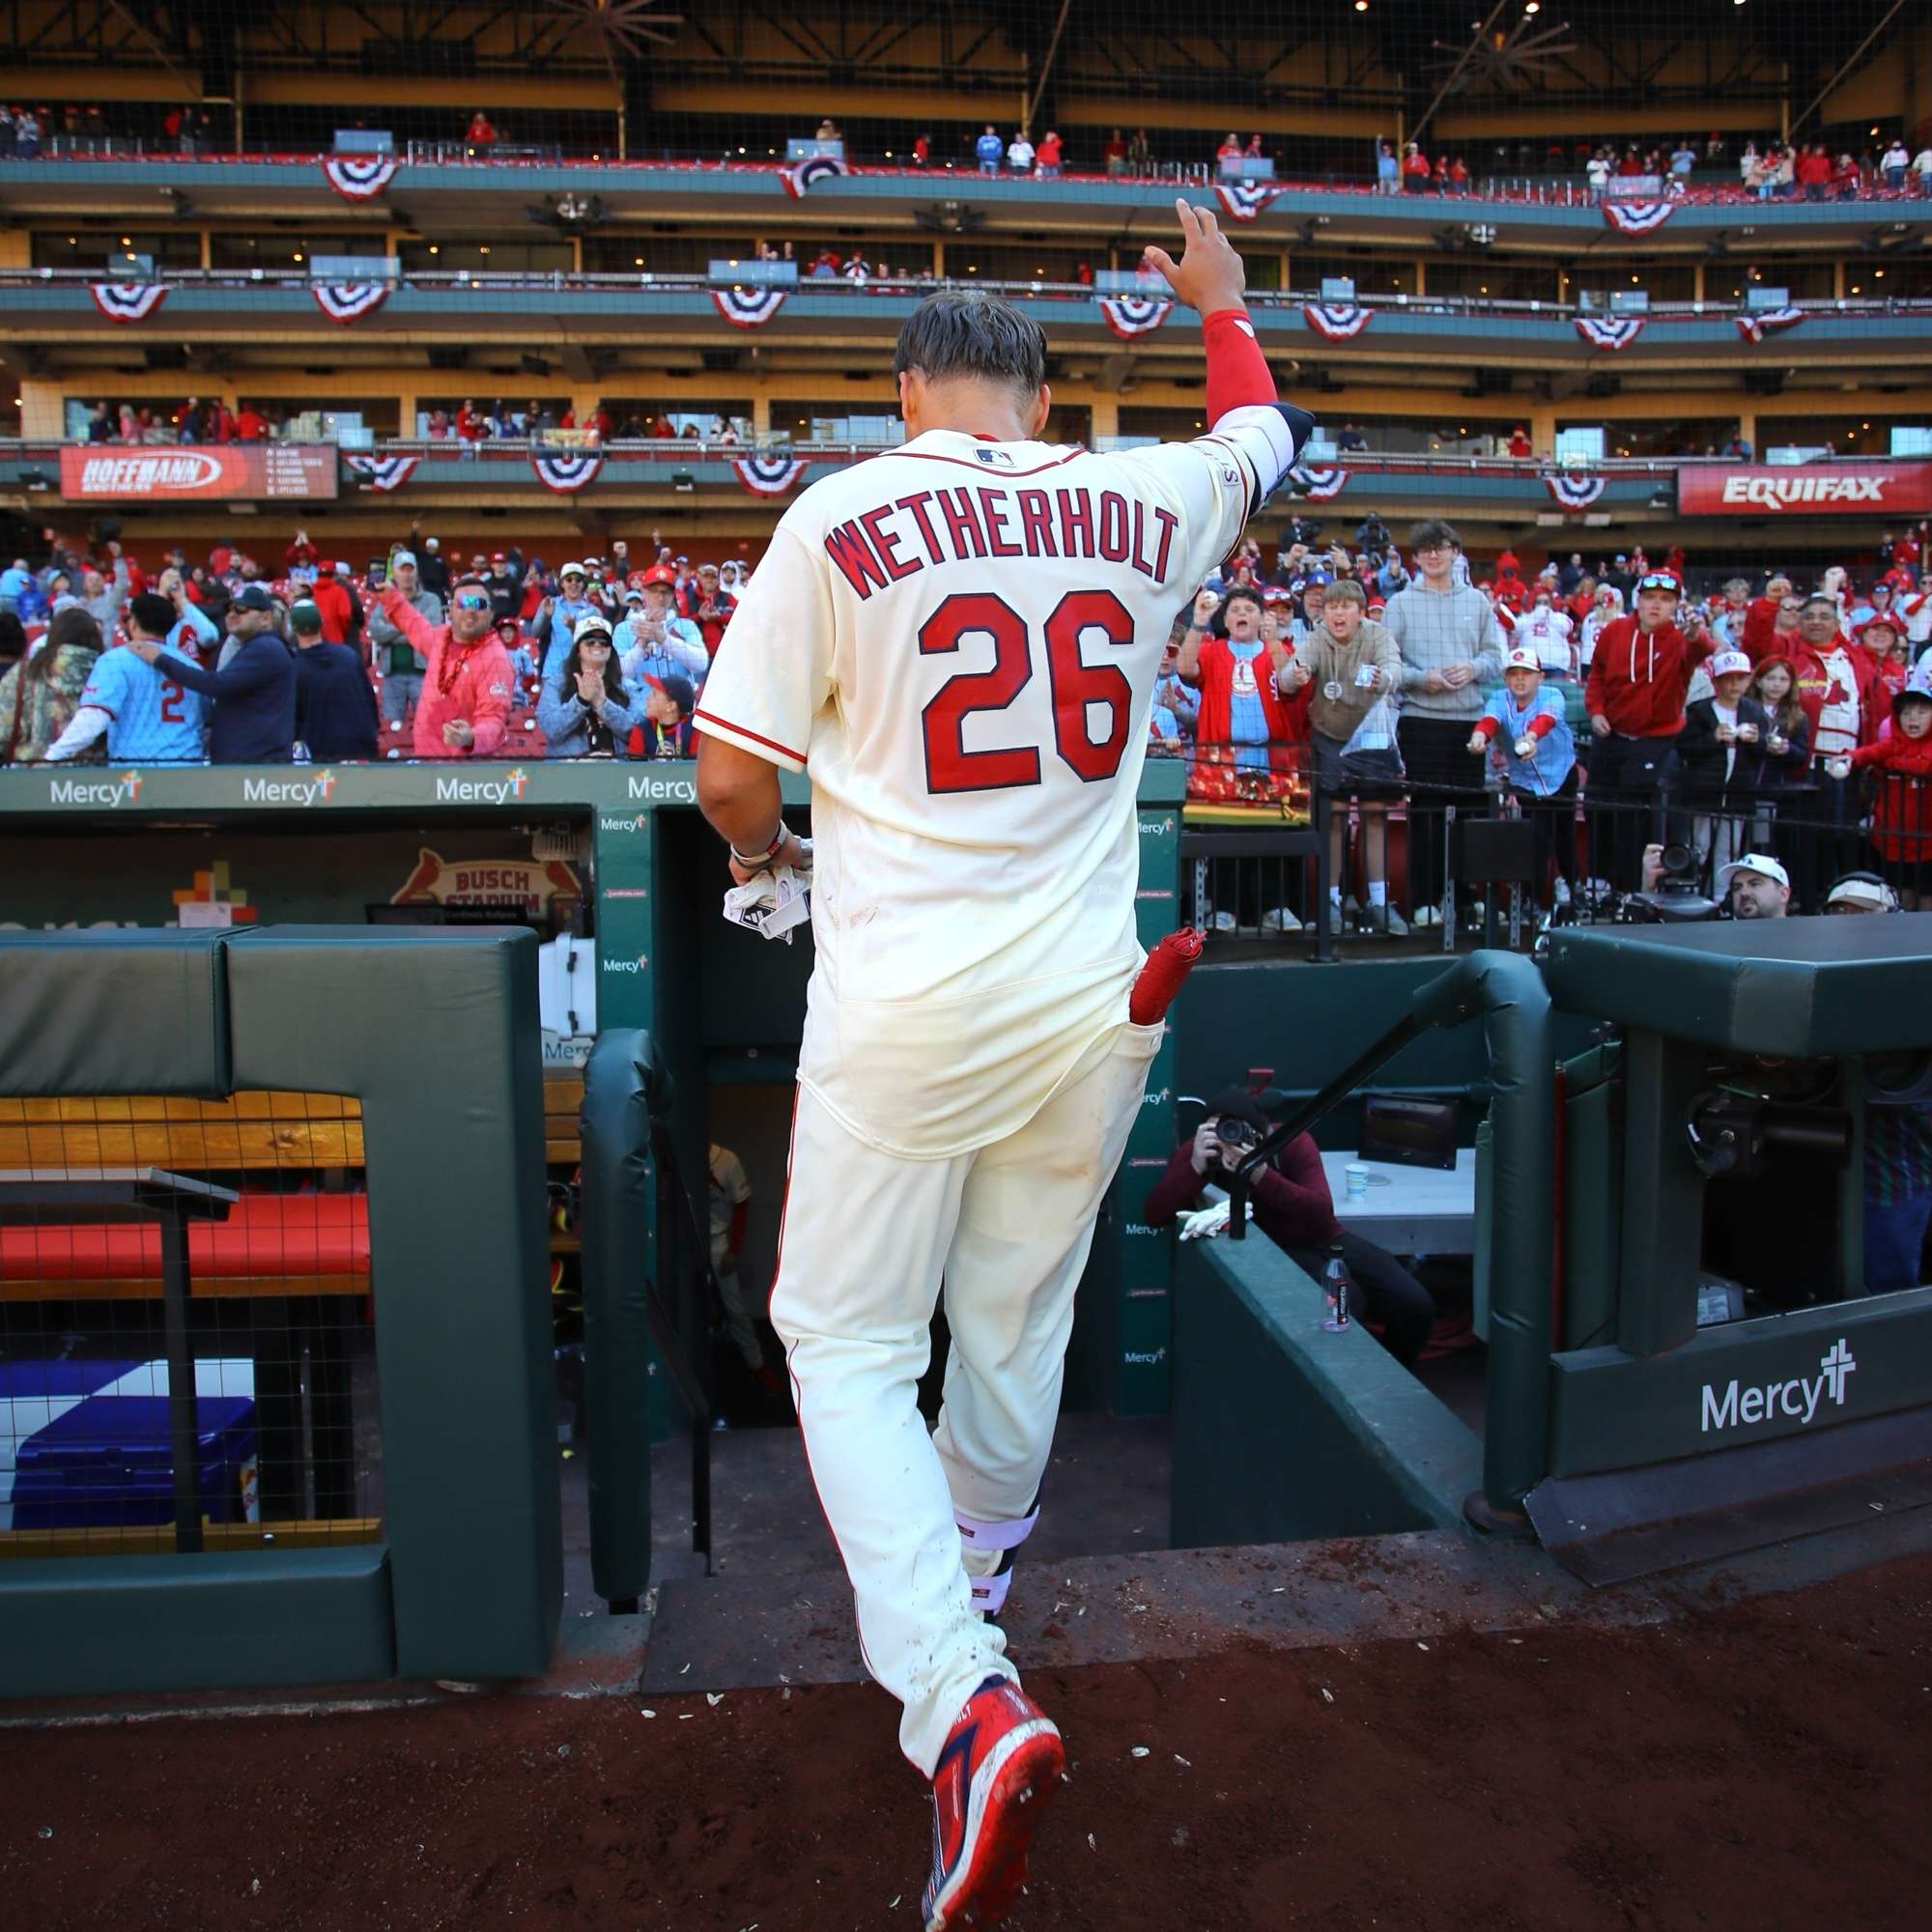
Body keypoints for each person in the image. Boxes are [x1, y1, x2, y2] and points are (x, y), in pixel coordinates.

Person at [690, 204, 1310, 1929]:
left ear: (909, 393)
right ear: (1041, 399)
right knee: (1018, 1322)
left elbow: (728, 774)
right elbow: (1266, 433)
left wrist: (764, 865)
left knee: (845, 1342)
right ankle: (970, 1607)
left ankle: (959, 1703)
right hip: (1093, 1001)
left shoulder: (839, 512)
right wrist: (1224, 303)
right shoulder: (1145, 492)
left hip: (909, 1003)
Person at [1142, 1088, 1435, 1364]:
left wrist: (1259, 1174)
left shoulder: (1292, 1143)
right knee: (1347, 1303)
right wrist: (1194, 1167)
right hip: (1274, 1250)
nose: (1229, 1139)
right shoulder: (1202, 1150)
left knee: (1414, 1303)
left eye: (1238, 1131)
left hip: (1323, 1238)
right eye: (1220, 1130)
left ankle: (1397, 1370)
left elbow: (1321, 1212)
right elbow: (1155, 1214)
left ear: (1260, 1133)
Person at [1382, 517, 1505, 926]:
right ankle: (1424, 900)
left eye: (1441, 547)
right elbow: (1388, 665)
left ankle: (1468, 896)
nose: (1433, 555)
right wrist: (1423, 679)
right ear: (1416, 558)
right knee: (1426, 814)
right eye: (1425, 550)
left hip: (1469, 721)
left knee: (1470, 813)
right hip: (1421, 720)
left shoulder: (1478, 602)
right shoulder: (1400, 603)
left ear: (1455, 552)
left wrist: (1473, 668)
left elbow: (1495, 658)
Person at [1279, 578, 1405, 934]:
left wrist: (1383, 679)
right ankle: (1331, 901)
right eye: (1332, 607)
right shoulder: (1318, 637)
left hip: (1372, 737)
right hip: (1329, 737)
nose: (1338, 613)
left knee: (1374, 815)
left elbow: (1395, 670)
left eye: (1345, 606)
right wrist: (1296, 675)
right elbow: (1288, 677)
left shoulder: (1377, 635)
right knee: (1333, 817)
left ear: (1360, 612)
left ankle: (1378, 902)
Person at [1583, 570, 1714, 891]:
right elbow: (1597, 674)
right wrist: (1596, 710)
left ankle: (1634, 887)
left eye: (1666, 599)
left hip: (1655, 738)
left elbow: (1702, 649)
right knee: (1597, 808)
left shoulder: (1681, 638)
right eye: (1650, 597)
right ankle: (1598, 883)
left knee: (1636, 817)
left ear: (1675, 606)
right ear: (1638, 601)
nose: (1656, 605)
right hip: (1611, 734)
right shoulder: (1614, 631)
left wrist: (1696, 634)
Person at [1467, 644, 1577, 907]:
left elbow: (1546, 720)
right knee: (1534, 841)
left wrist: (1530, 738)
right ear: (1505, 678)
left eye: (1526, 673)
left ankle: (1574, 889)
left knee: (1564, 838)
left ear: (1540, 677)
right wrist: (1479, 736)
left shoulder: (1552, 695)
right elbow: (1489, 721)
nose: (1519, 679)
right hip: (1525, 780)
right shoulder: (1499, 698)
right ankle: (1532, 901)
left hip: (1561, 774)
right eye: (1513, 673)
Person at [137, 583, 296, 763]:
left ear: (265, 618)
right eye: (230, 609)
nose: (232, 614)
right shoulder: (258, 646)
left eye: (242, 609)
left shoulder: (265, 648)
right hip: (251, 758)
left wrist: (161, 660)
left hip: (255, 763)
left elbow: (216, 684)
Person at [44, 591, 203, 764]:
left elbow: (93, 719)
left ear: (133, 623)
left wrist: (52, 755)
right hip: (187, 767)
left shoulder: (115, 660)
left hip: (136, 770)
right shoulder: (192, 666)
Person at [370, 576, 514, 759]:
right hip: (426, 761)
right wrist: (390, 595)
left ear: (491, 613)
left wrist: (471, 737)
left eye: (479, 604)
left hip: (465, 769)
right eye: (462, 603)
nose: (470, 610)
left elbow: (494, 721)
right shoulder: (442, 637)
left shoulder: (496, 660)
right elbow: (414, 625)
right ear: (451, 610)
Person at [1677, 649, 1770, 884]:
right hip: (1705, 793)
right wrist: (1713, 738)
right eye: (1728, 679)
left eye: (1740, 678)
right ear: (1716, 681)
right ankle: (1691, 892)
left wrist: (1756, 741)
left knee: (1729, 851)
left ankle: (1722, 895)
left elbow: (1761, 754)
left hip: (1738, 795)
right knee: (1698, 848)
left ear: (1748, 681)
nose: (1734, 684)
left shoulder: (1754, 711)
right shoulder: (1700, 710)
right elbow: (1685, 748)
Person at [1836, 687, 1932, 907]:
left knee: (1927, 897)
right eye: (1906, 713)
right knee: (1899, 895)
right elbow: (1867, 753)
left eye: (1922, 712)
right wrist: (1849, 759)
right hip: (1892, 839)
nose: (1913, 719)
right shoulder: (1892, 744)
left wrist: (1890, 763)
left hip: (1927, 841)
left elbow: (1925, 765)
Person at [708, 1142, 778, 1386]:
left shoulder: (726, 1159)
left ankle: (756, 1364)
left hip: (716, 1241)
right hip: (684, 1237)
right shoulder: (679, 1157)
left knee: (735, 1308)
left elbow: (741, 1205)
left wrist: (733, 1251)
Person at [287, 599, 380, 761]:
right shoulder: (349, 656)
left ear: (293, 629)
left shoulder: (292, 666)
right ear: (321, 623)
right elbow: (370, 704)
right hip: (359, 749)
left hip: (318, 755)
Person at [537, 613, 641, 758]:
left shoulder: (628, 687)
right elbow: (551, 729)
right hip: (568, 768)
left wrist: (603, 705)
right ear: (578, 649)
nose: (597, 645)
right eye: (590, 641)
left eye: (604, 642)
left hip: (617, 768)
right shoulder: (556, 684)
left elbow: (637, 732)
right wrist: (580, 701)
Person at [367, 548, 440, 734]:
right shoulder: (384, 600)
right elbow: (376, 632)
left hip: (423, 675)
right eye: (402, 570)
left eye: (410, 569)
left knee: (428, 726)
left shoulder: (431, 600)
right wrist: (412, 627)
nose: (407, 575)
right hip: (392, 674)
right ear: (394, 573)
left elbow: (431, 634)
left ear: (416, 572)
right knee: (392, 728)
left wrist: (395, 623)